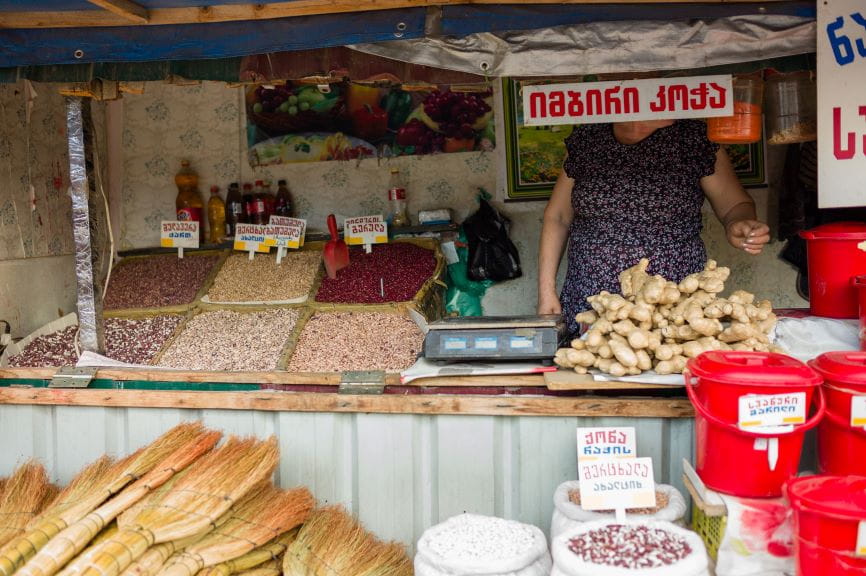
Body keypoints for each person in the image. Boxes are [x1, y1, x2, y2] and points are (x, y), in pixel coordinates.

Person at [537, 119, 770, 336]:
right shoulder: (588, 138)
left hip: (673, 299)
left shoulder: (693, 138)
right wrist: (546, 291)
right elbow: (557, 216)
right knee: (587, 367)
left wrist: (738, 222)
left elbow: (734, 204)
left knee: (671, 364)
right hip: (593, 297)